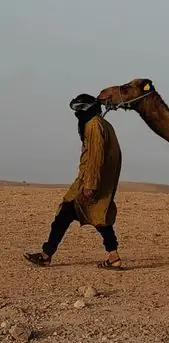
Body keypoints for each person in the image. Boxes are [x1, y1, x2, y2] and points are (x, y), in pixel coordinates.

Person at [24, 94, 124, 269]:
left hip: (90, 183)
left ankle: (46, 255)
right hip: (96, 182)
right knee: (98, 218)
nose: (76, 114)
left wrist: (91, 185)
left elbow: (96, 156)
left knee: (71, 215)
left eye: (79, 109)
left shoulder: (94, 125)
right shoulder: (102, 124)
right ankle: (113, 256)